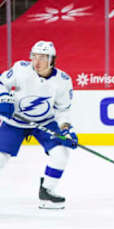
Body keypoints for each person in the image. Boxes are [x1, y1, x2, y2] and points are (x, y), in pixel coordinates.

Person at [0, 40, 77, 210]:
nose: (37, 61)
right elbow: (1, 83)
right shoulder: (21, 69)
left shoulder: (63, 81)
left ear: (52, 59)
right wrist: (4, 98)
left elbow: (63, 111)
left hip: (45, 122)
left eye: (42, 57)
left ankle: (47, 192)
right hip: (14, 121)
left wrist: (67, 130)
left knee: (61, 154)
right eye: (34, 56)